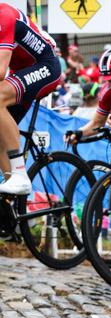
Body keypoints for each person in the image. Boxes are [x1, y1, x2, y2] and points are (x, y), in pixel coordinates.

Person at [0, 3, 62, 195]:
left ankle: (20, 174)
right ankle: (13, 200)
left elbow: (1, 71)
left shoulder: (3, 15)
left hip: (46, 66)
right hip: (23, 72)